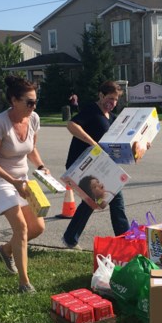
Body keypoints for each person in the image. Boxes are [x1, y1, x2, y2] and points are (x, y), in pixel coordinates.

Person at [0, 75, 49, 294]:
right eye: (29, 102)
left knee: (37, 227)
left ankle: (6, 249)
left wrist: (40, 167)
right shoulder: (0, 123)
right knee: (20, 227)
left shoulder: (34, 119)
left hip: (22, 180)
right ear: (13, 100)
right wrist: (14, 182)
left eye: (35, 102)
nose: (33, 106)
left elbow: (32, 150)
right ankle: (24, 283)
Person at [61, 80, 130, 249]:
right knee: (113, 198)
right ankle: (126, 242)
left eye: (116, 100)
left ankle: (70, 238)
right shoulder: (92, 110)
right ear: (101, 95)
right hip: (83, 164)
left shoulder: (113, 118)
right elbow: (72, 125)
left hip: (101, 166)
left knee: (93, 202)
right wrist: (94, 144)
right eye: (110, 98)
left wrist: (139, 146)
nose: (112, 103)